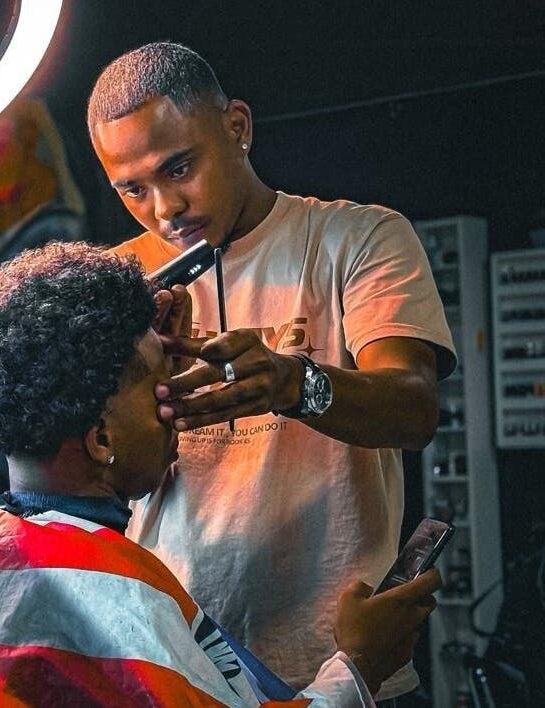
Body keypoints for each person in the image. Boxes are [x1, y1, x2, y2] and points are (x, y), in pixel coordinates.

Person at [0, 242, 440, 707]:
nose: (174, 403)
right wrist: (360, 663)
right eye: (158, 382)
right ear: (102, 438)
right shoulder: (121, 591)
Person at [86, 42, 456, 698]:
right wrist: (140, 391)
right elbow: (96, 476)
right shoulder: (121, 283)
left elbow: (414, 408)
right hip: (182, 665)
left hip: (347, 661)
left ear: (237, 128)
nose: (165, 208)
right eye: (133, 189)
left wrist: (296, 384)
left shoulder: (359, 238)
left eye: (179, 168)